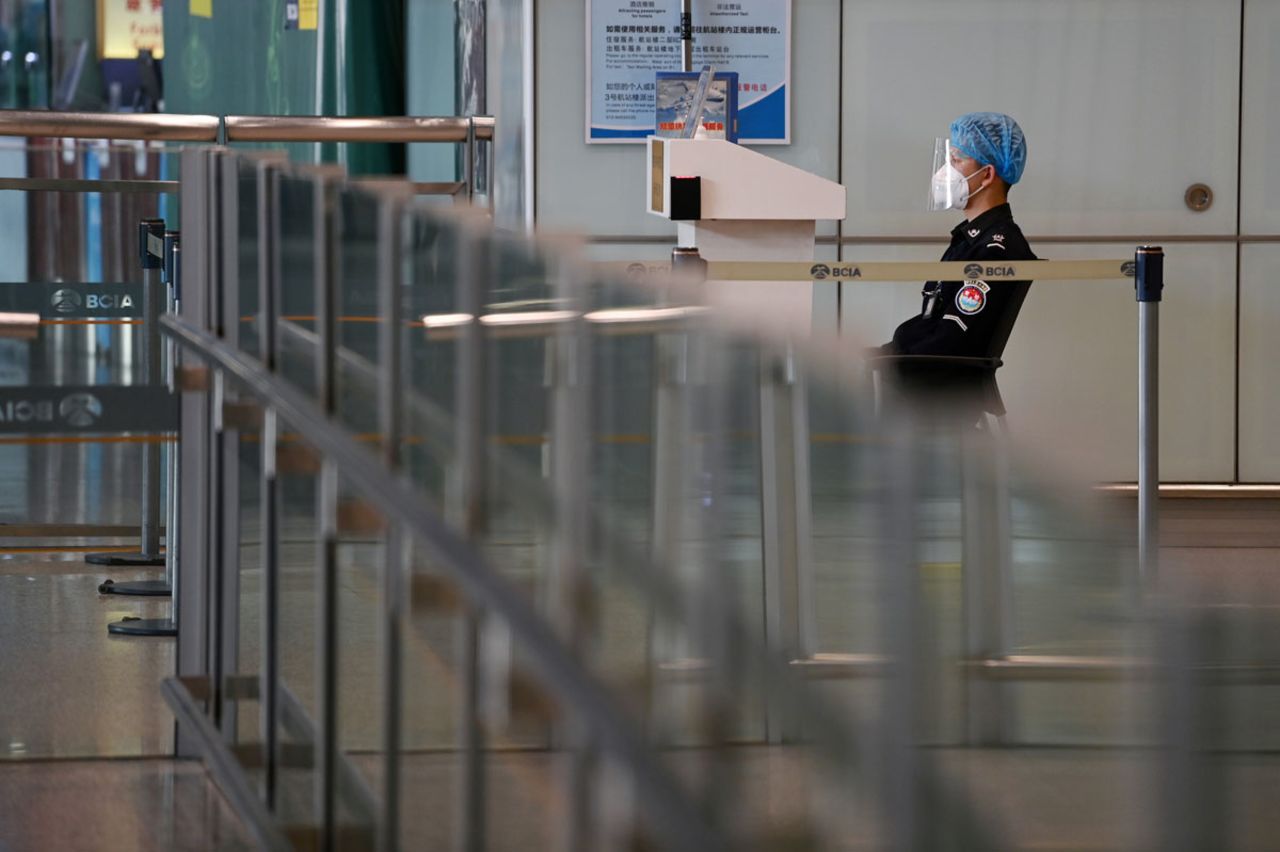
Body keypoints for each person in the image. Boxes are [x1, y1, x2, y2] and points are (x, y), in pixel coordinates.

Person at [881, 113, 1036, 407]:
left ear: (987, 175)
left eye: (956, 160)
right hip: (924, 382)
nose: (944, 172)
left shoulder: (995, 249)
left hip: (938, 396)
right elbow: (935, 322)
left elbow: (953, 340)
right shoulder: (970, 239)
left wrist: (889, 359)